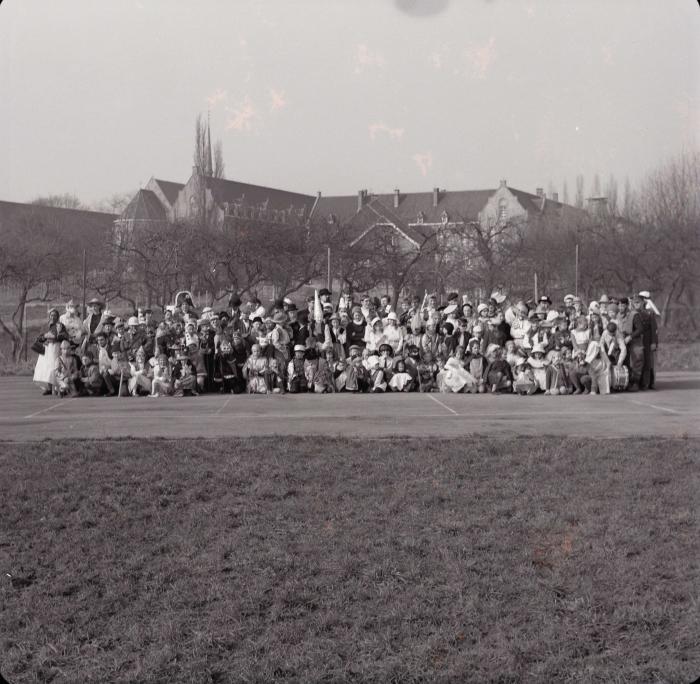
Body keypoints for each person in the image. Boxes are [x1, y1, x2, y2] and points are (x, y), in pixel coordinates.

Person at [33, 308, 67, 395]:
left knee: (54, 367)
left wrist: (56, 336)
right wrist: (44, 337)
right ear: (49, 316)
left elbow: (65, 336)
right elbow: (39, 337)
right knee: (46, 368)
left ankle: (56, 387)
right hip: (47, 348)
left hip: (55, 348)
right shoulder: (46, 325)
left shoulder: (60, 326)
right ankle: (49, 388)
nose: (53, 317)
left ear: (58, 316)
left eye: (55, 315)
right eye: (51, 315)